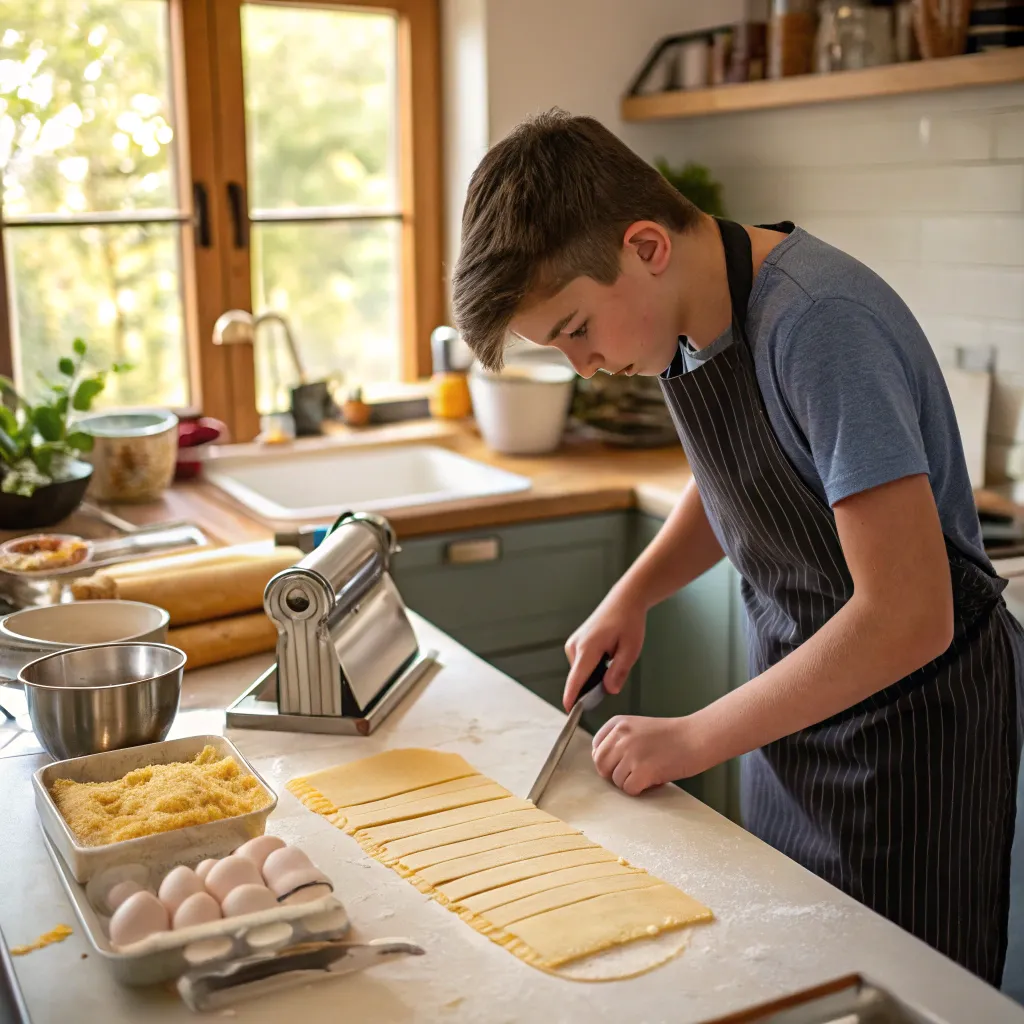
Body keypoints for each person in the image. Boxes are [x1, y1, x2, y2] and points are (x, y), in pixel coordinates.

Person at [451, 109, 1024, 987]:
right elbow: (744, 478)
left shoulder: (820, 324)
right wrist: (633, 592)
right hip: (798, 720)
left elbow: (908, 616)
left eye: (575, 329)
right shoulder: (689, 319)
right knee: (799, 977)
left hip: (915, 742)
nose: (585, 366)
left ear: (646, 246)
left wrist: (691, 740)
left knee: (901, 996)